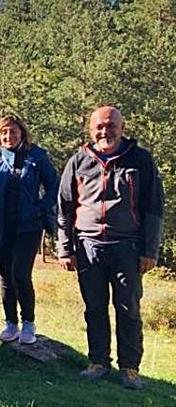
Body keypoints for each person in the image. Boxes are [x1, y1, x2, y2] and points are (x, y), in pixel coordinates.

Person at [57, 106, 164, 390]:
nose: (105, 131)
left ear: (121, 127)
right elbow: (64, 208)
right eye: (99, 127)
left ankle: (130, 368)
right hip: (88, 246)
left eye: (110, 126)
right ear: (91, 131)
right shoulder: (79, 160)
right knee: (94, 307)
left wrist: (150, 251)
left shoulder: (140, 160)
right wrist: (64, 249)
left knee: (128, 308)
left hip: (127, 247)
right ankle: (98, 362)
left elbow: (154, 208)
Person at [0, 115, 59, 345]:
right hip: (0, 228)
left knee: (21, 274)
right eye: (4, 133)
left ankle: (28, 323)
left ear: (22, 132)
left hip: (28, 227)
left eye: (13, 131)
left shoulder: (37, 157)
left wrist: (40, 209)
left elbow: (54, 186)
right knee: (5, 278)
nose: (9, 136)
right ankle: (11, 324)